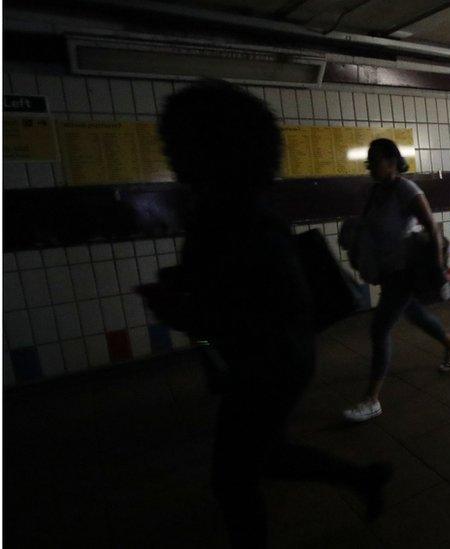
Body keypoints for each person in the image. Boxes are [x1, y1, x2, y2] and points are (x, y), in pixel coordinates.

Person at [143, 79, 391, 548]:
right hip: (273, 358)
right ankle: (363, 479)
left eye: (178, 144)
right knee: (265, 456)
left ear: (212, 148)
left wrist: (184, 310)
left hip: (271, 362)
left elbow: (252, 311)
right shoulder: (229, 210)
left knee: (233, 479)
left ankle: (362, 479)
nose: (171, 158)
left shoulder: (237, 218)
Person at [342, 139, 450, 422]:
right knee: (414, 313)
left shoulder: (406, 189)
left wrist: (438, 267)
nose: (369, 166)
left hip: (404, 270)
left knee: (379, 328)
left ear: (391, 160)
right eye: (368, 161)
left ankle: (371, 399)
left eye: (374, 160)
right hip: (387, 270)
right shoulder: (376, 192)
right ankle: (449, 344)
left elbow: (431, 227)